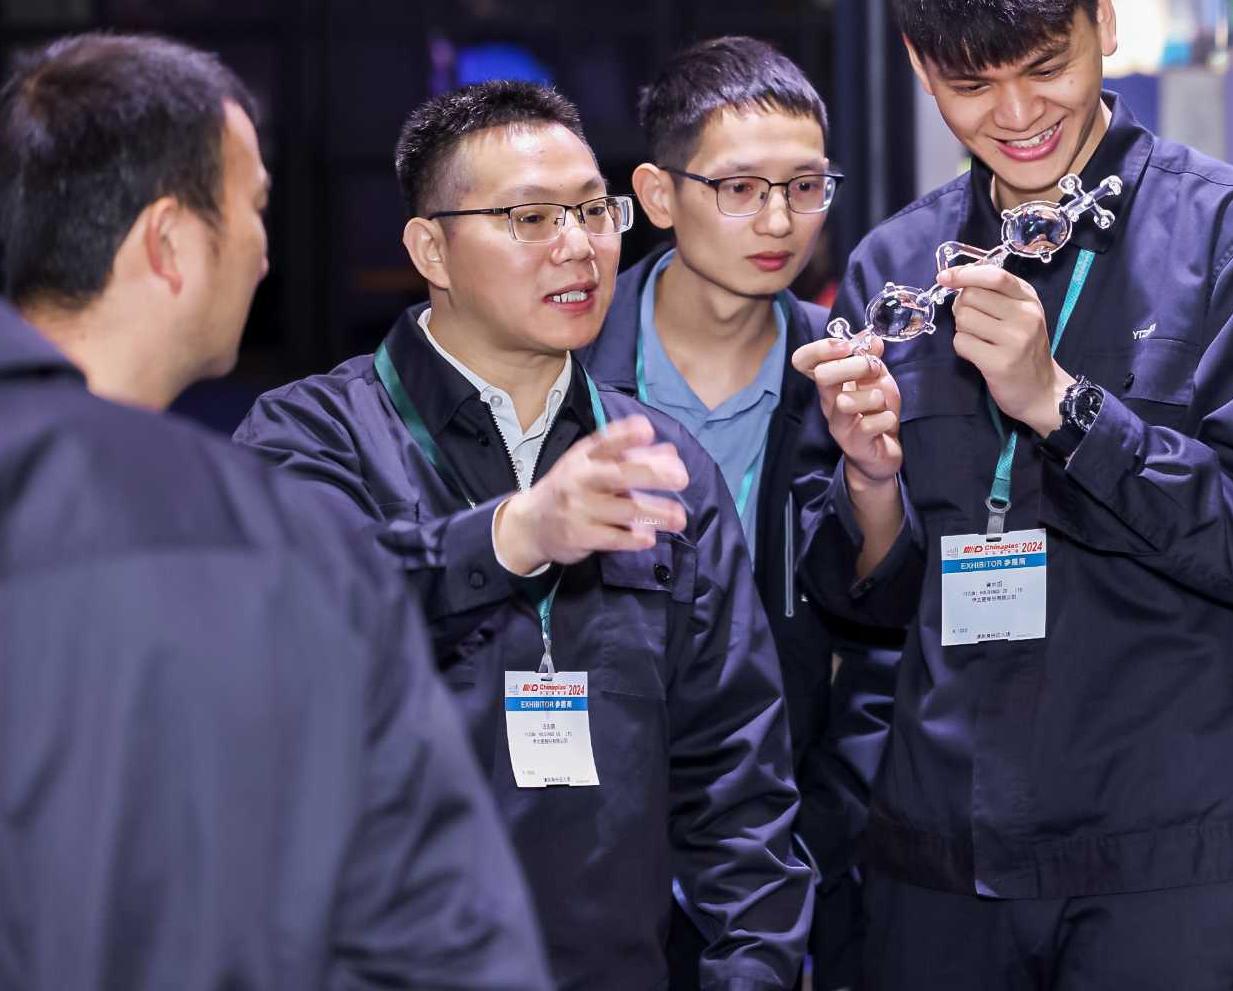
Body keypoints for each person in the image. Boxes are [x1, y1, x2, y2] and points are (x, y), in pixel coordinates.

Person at [791, 0, 1233, 989]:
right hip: (941, 857)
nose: (1016, 113)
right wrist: (871, 483)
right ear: (920, 67)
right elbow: (866, 603)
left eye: (1046, 65)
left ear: (1104, 20)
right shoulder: (898, 265)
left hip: (1170, 861)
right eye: (971, 83)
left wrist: (1063, 404)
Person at [0, 33, 550, 990]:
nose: (264, 254)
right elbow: (432, 933)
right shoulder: (277, 539)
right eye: (253, 208)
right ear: (169, 243)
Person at [234, 79, 813, 989]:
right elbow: (308, 627)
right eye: (531, 217)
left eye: (593, 211)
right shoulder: (314, 435)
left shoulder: (660, 460)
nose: (578, 246)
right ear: (431, 248)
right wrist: (513, 534)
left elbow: (737, 781)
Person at [580, 37, 900, 990]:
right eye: (739, 188)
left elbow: (886, 633)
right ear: (657, 194)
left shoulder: (849, 374)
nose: (779, 220)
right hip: (592, 851)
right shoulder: (570, 369)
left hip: (797, 841)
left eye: (805, 187)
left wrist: (820, 830)